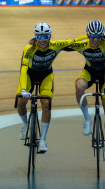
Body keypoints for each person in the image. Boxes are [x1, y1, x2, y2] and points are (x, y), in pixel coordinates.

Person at [16, 22, 82, 153]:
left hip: (46, 75)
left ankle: (43, 140)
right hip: (29, 75)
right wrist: (23, 90)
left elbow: (73, 41)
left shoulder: (56, 46)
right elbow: (23, 70)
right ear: (35, 37)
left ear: (50, 36)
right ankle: (25, 125)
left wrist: (92, 36)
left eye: (45, 37)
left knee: (46, 104)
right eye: (39, 37)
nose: (42, 40)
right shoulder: (28, 49)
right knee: (20, 102)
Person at [64, 20, 105, 161]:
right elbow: (64, 44)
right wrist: (39, 41)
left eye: (98, 36)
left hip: (104, 75)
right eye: (92, 36)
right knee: (79, 86)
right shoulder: (82, 42)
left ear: (102, 36)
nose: (95, 39)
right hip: (89, 72)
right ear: (87, 35)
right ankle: (87, 119)